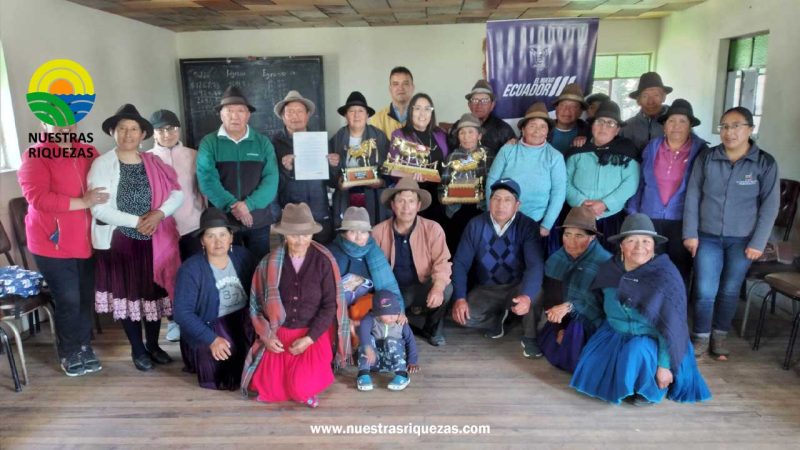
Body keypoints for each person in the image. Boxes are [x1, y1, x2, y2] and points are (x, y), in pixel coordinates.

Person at [570, 214, 711, 405]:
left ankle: (646, 388)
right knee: (588, 362)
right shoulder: (608, 270)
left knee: (636, 351)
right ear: (621, 245)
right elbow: (595, 305)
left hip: (656, 338)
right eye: (631, 240)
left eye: (646, 241)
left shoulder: (666, 276)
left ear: (653, 246)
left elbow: (671, 327)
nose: (639, 247)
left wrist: (664, 365)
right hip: (616, 332)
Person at [89, 104, 183, 371]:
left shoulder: (154, 161)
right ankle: (138, 349)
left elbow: (177, 193)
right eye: (122, 129)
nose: (128, 134)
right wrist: (138, 222)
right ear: (113, 132)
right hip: (121, 241)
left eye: (134, 129)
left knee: (152, 294)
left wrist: (159, 214)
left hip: (154, 240)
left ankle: (153, 345)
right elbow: (99, 208)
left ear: (143, 134)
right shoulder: (103, 164)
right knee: (129, 297)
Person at [683, 106, 780, 360]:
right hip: (707, 236)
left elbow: (770, 205)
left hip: (743, 240)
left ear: (750, 128)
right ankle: (701, 337)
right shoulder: (707, 157)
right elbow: (692, 195)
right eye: (724, 126)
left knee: (729, 290)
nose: (729, 132)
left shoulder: (764, 162)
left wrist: (758, 242)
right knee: (705, 290)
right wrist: (690, 233)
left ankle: (720, 337)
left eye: (736, 126)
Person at [18, 121, 107, 377]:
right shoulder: (35, 154)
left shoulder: (88, 151)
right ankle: (69, 352)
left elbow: (106, 179)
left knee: (84, 297)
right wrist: (83, 202)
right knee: (68, 299)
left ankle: (84, 346)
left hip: (85, 241)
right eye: (55, 122)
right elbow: (38, 198)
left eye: (70, 121)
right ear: (43, 124)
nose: (64, 127)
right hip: (50, 243)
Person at [241, 203, 350, 408]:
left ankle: (307, 383)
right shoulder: (269, 263)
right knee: (267, 388)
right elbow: (255, 306)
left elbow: (329, 306)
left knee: (301, 388)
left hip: (312, 334)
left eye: (306, 234)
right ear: (284, 235)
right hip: (279, 333)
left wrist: (309, 339)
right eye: (294, 234)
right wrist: (267, 336)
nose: (300, 240)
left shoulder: (323, 262)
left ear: (312, 234)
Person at [451, 179, 543, 358]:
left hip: (516, 286)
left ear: (517, 205)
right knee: (464, 318)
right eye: (496, 199)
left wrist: (526, 296)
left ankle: (529, 337)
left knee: (535, 293)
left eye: (507, 200)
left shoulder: (528, 226)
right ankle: (502, 318)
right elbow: (461, 263)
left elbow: (535, 265)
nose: (501, 205)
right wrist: (460, 297)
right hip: (487, 288)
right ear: (489, 201)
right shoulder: (476, 224)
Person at [173, 208, 256, 390]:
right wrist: (211, 339)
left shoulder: (243, 257)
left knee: (256, 362)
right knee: (222, 361)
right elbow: (181, 313)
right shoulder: (191, 269)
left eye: (222, 235)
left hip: (242, 320)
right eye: (211, 236)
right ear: (202, 241)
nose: (218, 242)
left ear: (231, 237)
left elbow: (257, 291)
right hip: (210, 323)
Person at [627, 99, 707, 283]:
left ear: (690, 126)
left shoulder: (701, 151)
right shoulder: (652, 148)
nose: (676, 126)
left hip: (682, 220)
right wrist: (633, 212)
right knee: (647, 267)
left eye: (682, 121)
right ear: (664, 126)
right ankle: (647, 310)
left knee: (678, 271)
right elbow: (640, 182)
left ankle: (675, 309)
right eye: (671, 121)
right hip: (649, 218)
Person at [196, 86, 280, 262]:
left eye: (241, 111)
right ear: (221, 114)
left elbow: (271, 180)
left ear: (248, 115)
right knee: (228, 271)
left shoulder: (262, 142)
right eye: (229, 111)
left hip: (258, 221)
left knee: (260, 269)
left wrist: (248, 205)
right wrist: (234, 206)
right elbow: (207, 180)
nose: (235, 116)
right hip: (223, 223)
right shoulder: (209, 143)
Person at [147, 108, 206, 342]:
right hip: (162, 230)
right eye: (161, 129)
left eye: (171, 128)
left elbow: (202, 189)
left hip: (192, 224)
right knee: (167, 275)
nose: (167, 133)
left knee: (192, 273)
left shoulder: (194, 155)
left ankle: (193, 317)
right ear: (153, 133)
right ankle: (173, 321)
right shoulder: (147, 158)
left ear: (179, 129)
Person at [372, 177, 452, 346]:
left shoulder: (433, 228)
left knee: (446, 289)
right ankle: (404, 325)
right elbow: (372, 269)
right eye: (401, 201)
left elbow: (442, 262)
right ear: (393, 205)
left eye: (411, 201)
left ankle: (432, 328)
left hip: (422, 287)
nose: (406, 207)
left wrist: (437, 287)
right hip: (393, 291)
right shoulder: (378, 232)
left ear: (418, 205)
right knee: (390, 337)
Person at [537, 206, 612, 372]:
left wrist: (572, 306)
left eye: (579, 236)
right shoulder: (556, 259)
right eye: (567, 234)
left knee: (578, 351)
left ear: (592, 237)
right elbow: (552, 297)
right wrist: (560, 328)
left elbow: (603, 303)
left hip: (592, 319)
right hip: (562, 316)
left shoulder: (605, 262)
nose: (571, 241)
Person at [565, 100, 640, 252]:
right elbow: (564, 181)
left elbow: (630, 183)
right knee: (576, 255)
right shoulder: (577, 150)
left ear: (617, 129)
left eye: (610, 123)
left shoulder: (627, 151)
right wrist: (581, 203)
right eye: (599, 121)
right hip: (577, 216)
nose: (604, 126)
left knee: (608, 258)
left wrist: (604, 203)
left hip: (610, 218)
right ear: (592, 126)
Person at [486, 102, 566, 238]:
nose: (537, 131)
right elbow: (492, 181)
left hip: (536, 221)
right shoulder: (508, 150)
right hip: (503, 219)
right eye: (532, 125)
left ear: (547, 132)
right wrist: (491, 214)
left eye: (542, 127)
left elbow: (559, 192)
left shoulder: (555, 157)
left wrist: (546, 225)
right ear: (523, 129)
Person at [272, 90, 338, 244]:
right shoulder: (274, 144)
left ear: (308, 115)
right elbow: (271, 184)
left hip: (319, 212)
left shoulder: (320, 141)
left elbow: (333, 183)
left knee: (323, 256)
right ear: (283, 116)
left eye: (300, 111)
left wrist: (333, 166)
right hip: (290, 215)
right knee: (294, 258)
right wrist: (286, 170)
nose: (295, 116)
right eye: (290, 112)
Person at [330, 91, 392, 227]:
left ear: (367, 115)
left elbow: (391, 169)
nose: (356, 115)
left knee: (373, 234)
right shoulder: (337, 139)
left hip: (373, 196)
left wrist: (381, 181)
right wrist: (337, 179)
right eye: (351, 111)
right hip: (346, 199)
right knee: (348, 235)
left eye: (360, 111)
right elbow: (329, 177)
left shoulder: (379, 137)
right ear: (346, 115)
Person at [390, 93, 449, 226]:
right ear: (411, 111)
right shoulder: (399, 135)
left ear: (431, 113)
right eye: (417, 108)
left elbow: (449, 163)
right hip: (412, 198)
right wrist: (411, 176)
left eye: (427, 109)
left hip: (439, 198)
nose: (422, 113)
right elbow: (392, 169)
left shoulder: (440, 134)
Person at [327, 206, 402, 308]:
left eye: (363, 232)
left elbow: (387, 287)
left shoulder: (374, 252)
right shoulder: (331, 254)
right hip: (337, 310)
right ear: (343, 234)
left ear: (369, 234)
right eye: (352, 232)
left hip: (369, 309)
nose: (359, 237)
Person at [440, 113, 489, 253]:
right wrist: (450, 196)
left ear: (479, 135)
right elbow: (443, 187)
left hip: (481, 210)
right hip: (457, 210)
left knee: (481, 251)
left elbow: (493, 184)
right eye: (462, 132)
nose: (466, 136)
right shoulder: (451, 157)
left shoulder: (489, 155)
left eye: (470, 132)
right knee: (458, 249)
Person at [356, 290, 419, 392]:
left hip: (392, 364)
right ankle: (363, 374)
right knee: (367, 339)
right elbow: (363, 329)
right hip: (373, 363)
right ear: (376, 313)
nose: (392, 317)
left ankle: (402, 375)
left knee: (391, 341)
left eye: (395, 313)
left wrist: (412, 361)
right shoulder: (371, 319)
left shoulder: (401, 322)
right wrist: (367, 348)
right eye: (387, 314)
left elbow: (410, 341)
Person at [446, 80, 516, 168]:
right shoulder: (458, 127)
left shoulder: (503, 129)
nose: (479, 105)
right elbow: (450, 154)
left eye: (485, 100)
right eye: (475, 100)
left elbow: (513, 160)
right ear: (469, 105)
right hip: (462, 177)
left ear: (492, 105)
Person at [620, 72, 672, 153]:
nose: (650, 101)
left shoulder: (676, 123)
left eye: (656, 95)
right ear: (638, 100)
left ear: (664, 97)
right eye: (645, 96)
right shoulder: (627, 128)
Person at [370, 66, 415, 139]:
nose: (400, 88)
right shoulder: (377, 120)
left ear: (412, 88)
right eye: (395, 84)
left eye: (405, 83)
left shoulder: (423, 117)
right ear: (390, 89)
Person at [548, 83, 591, 154]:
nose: (567, 110)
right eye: (563, 105)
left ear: (580, 112)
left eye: (573, 107)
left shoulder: (589, 132)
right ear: (556, 108)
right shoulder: (543, 130)